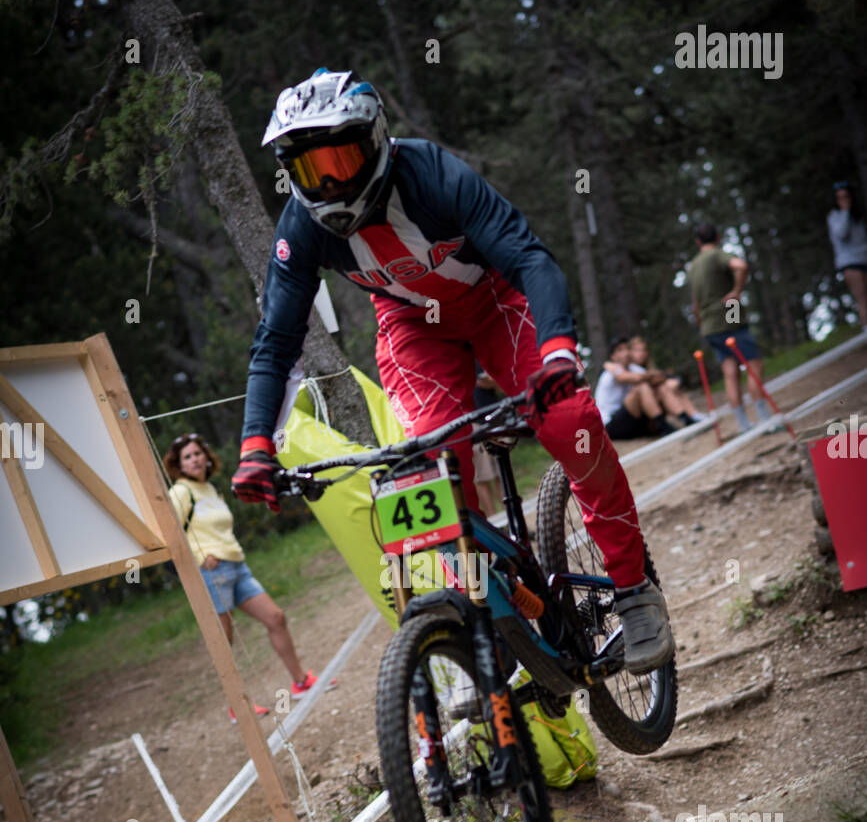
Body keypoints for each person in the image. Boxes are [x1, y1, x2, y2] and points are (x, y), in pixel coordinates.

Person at [231, 68, 674, 675]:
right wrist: (256, 443)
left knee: (569, 420)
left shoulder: (433, 174)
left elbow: (527, 256)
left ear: (376, 139)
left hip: (494, 303)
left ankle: (633, 589)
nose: (329, 182)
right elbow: (277, 341)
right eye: (310, 169)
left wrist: (559, 354)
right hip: (415, 327)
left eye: (340, 158)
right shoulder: (301, 227)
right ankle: (492, 623)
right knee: (426, 479)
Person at [164, 432, 331, 720]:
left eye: (197, 453)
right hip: (213, 573)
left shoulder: (210, 489)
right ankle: (237, 707)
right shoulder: (180, 492)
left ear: (206, 456)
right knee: (224, 641)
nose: (195, 459)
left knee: (275, 618)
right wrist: (200, 557)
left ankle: (301, 681)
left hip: (237, 567)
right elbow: (171, 534)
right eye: (187, 457)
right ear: (178, 465)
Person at [686, 222, 773, 434]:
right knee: (754, 366)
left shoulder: (693, 266)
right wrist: (736, 291)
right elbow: (741, 266)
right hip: (728, 315)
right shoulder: (717, 255)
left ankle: (743, 423)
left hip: (709, 325)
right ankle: (764, 418)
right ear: (717, 237)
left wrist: (701, 321)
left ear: (698, 242)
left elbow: (695, 302)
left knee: (730, 370)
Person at [595, 338, 676, 441]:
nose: (626, 352)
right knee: (642, 386)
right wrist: (649, 376)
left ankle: (685, 417)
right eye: (620, 350)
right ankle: (663, 425)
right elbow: (634, 377)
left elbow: (658, 378)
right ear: (613, 357)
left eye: (627, 348)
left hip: (631, 419)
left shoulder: (634, 368)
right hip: (611, 425)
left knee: (659, 388)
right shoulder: (609, 373)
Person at [627, 335, 705, 427]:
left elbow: (659, 377)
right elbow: (652, 380)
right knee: (666, 387)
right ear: (630, 352)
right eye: (637, 350)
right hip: (639, 411)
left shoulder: (644, 367)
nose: (642, 353)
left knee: (670, 385)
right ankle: (688, 416)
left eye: (644, 350)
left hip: (654, 401)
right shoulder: (630, 369)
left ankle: (691, 414)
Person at [827, 181, 867, 327]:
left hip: (864, 259)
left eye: (846, 197)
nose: (844, 200)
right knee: (862, 300)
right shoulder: (835, 217)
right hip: (850, 262)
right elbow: (841, 233)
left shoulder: (858, 216)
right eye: (840, 198)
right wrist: (845, 212)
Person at [472, 370, 505, 517]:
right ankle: (495, 523)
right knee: (481, 476)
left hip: (496, 419)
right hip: (472, 422)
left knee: (502, 471)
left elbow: (500, 385)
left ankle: (511, 519)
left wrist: (492, 381)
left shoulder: (481, 356)